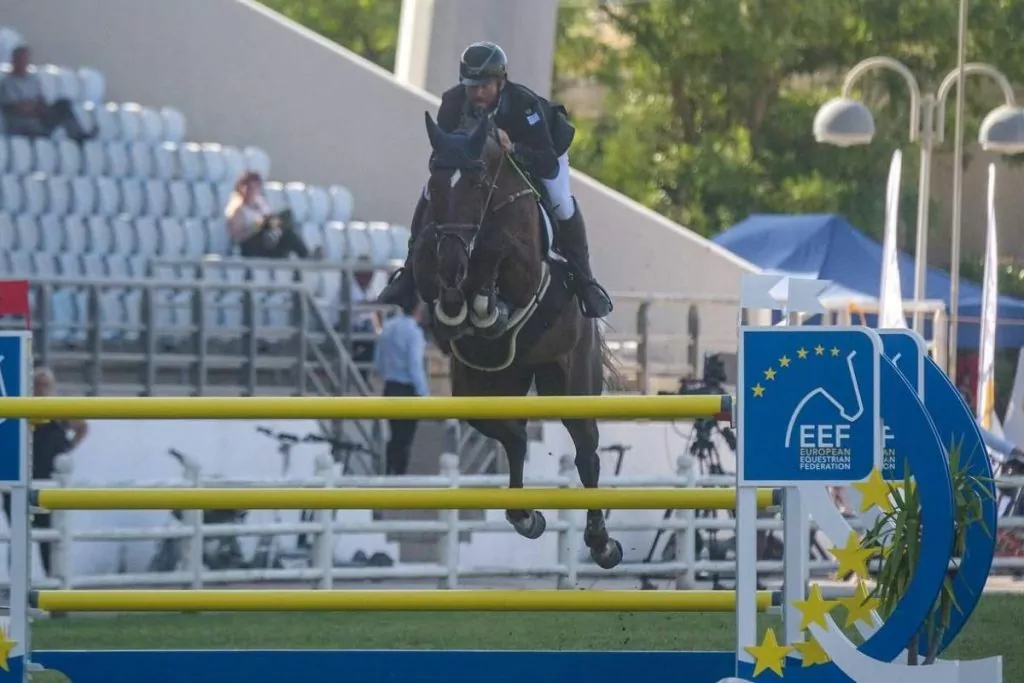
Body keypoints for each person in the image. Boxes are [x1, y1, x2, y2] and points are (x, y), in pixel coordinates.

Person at [378, 41, 613, 319]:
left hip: (542, 153)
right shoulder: (452, 102)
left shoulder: (525, 105)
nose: (477, 93)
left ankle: (585, 280)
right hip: (479, 165)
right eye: (471, 85)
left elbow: (547, 164)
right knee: (429, 190)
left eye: (484, 86)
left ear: (501, 82)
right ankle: (407, 274)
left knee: (561, 202)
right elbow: (438, 158)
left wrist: (513, 148)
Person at [3, 367, 88, 578]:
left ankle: (54, 582)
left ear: (53, 388)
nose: (41, 389)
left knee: (50, 538)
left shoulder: (59, 411)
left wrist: (67, 448)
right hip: (20, 483)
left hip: (49, 484)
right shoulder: (20, 410)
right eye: (37, 384)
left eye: (45, 385)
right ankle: (18, 584)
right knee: (19, 536)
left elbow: (82, 426)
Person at [373, 299, 429, 475]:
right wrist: (424, 394)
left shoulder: (387, 327)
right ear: (417, 309)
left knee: (393, 436)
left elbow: (378, 360)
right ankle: (399, 478)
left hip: (390, 387)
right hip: (407, 390)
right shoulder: (414, 333)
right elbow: (415, 365)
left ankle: (388, 473)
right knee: (405, 440)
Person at [0, 45, 95, 141]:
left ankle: (78, 136)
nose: (24, 63)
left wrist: (35, 106)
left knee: (64, 104)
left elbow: (41, 101)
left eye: (26, 60)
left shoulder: (33, 80)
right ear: (14, 61)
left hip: (39, 119)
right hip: (22, 126)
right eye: (21, 60)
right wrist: (35, 107)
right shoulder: (7, 83)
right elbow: (17, 108)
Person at [224, 171, 314, 259]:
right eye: (248, 187)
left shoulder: (261, 203)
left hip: (268, 240)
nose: (252, 190)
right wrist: (257, 226)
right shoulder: (237, 210)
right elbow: (237, 238)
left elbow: (270, 219)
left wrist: (274, 222)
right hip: (252, 246)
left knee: (287, 228)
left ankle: (307, 256)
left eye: (255, 187)